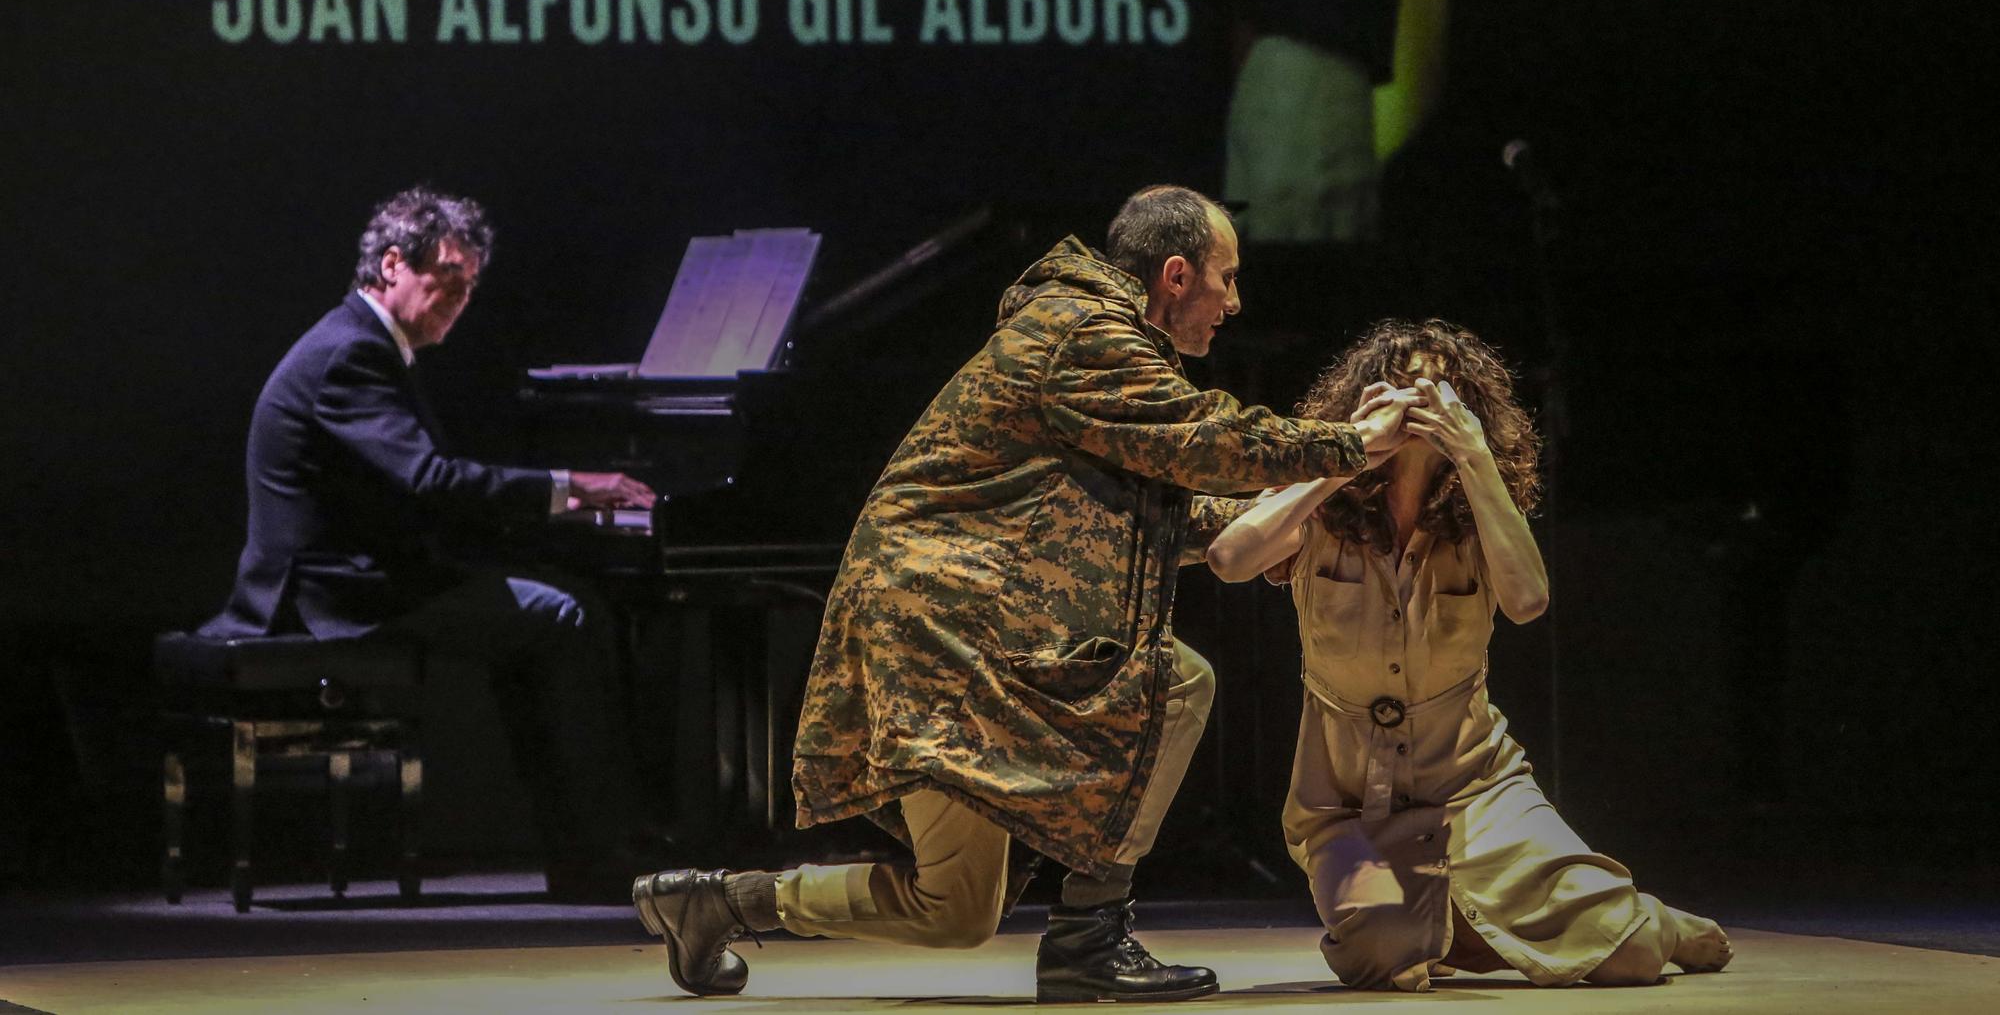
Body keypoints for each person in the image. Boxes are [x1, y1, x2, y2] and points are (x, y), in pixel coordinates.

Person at [631, 186, 1412, 1002]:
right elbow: (1210, 438)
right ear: (1175, 274)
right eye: (1226, 276)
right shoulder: (1088, 335)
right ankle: (1089, 931)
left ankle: (717, 901)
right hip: (944, 627)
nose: (1235, 300)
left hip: (973, 622)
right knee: (1174, 681)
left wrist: (1304, 505)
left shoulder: (1099, 344)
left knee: (957, 908)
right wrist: (1353, 443)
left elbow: (1147, 523)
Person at [1206, 319, 1733, 990]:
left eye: (1438, 387)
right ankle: (1471, 923)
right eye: (1403, 385)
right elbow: (1229, 557)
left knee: (1627, 956)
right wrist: (1345, 457)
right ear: (1366, 401)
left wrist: (1476, 457)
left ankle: (1649, 920)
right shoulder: (1324, 502)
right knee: (1380, 952)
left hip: (1474, 788)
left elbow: (1528, 599)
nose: (1420, 400)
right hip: (1348, 804)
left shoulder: (1478, 509)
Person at [199, 185, 660, 901]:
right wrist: (568, 487)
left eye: (471, 284)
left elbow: (410, 490)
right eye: (447, 277)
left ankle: (586, 846)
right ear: (391, 265)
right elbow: (430, 477)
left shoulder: (362, 342)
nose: (460, 297)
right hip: (330, 597)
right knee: (564, 616)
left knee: (541, 610)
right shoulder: (353, 352)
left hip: (355, 576)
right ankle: (600, 850)